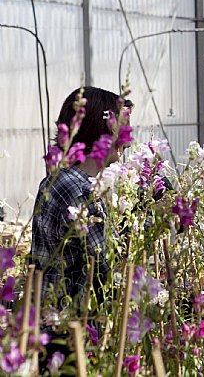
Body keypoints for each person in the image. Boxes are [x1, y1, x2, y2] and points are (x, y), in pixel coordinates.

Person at [31, 86, 133, 306]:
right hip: (73, 326)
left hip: (49, 315)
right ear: (101, 132)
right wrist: (145, 217)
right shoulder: (81, 192)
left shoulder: (58, 179)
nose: (127, 141)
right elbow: (110, 268)